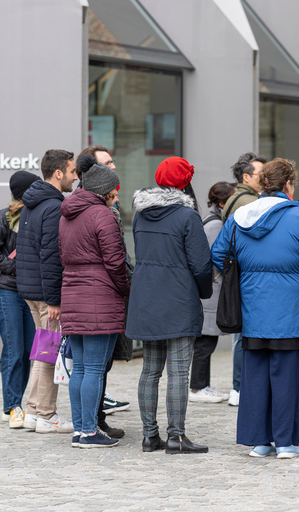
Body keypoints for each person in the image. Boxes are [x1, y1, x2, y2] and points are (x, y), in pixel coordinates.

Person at [212, 158, 299, 459]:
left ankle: (259, 442)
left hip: (252, 308)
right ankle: (284, 442)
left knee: (255, 376)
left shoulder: (240, 217)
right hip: (292, 309)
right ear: (289, 184)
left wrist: (243, 280)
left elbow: (218, 254)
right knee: (288, 376)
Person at [126, 156, 213, 454]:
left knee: (150, 371)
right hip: (178, 300)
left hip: (147, 297)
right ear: (185, 182)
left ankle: (150, 436)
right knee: (178, 372)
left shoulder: (140, 215)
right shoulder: (187, 217)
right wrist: (203, 292)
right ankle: (176, 436)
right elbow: (202, 265)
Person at [59, 160, 130, 448]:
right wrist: (125, 289)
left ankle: (80, 429)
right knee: (94, 369)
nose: (116, 197)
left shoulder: (67, 214)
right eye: (113, 193)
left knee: (80, 369)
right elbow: (116, 262)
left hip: (72, 295)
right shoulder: (102, 215)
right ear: (103, 192)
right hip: (100, 297)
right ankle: (89, 431)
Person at [16, 149, 77, 434]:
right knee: (50, 352)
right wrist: (55, 299)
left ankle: (32, 411)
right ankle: (47, 415)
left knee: (43, 351)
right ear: (58, 173)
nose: (75, 177)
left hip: (31, 288)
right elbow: (51, 255)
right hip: (45, 294)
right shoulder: (53, 206)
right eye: (72, 171)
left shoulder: (31, 203)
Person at [0, 170, 41, 429]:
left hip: (30, 295)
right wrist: (15, 268)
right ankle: (12, 407)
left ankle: (17, 404)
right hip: (7, 293)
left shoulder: (38, 216)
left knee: (28, 352)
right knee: (14, 350)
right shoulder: (3, 218)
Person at [223, 152, 267, 407]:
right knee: (243, 337)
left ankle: (239, 387)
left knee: (241, 335)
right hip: (244, 275)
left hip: (238, 274)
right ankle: (239, 388)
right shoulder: (248, 202)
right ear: (246, 177)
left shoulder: (238, 198)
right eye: (260, 174)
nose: (265, 179)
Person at [189, 181, 237, 404]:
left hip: (211, 291)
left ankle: (202, 385)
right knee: (205, 343)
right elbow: (211, 259)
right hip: (212, 293)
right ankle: (197, 388)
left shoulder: (214, 221)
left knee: (206, 343)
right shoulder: (215, 225)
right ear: (221, 202)